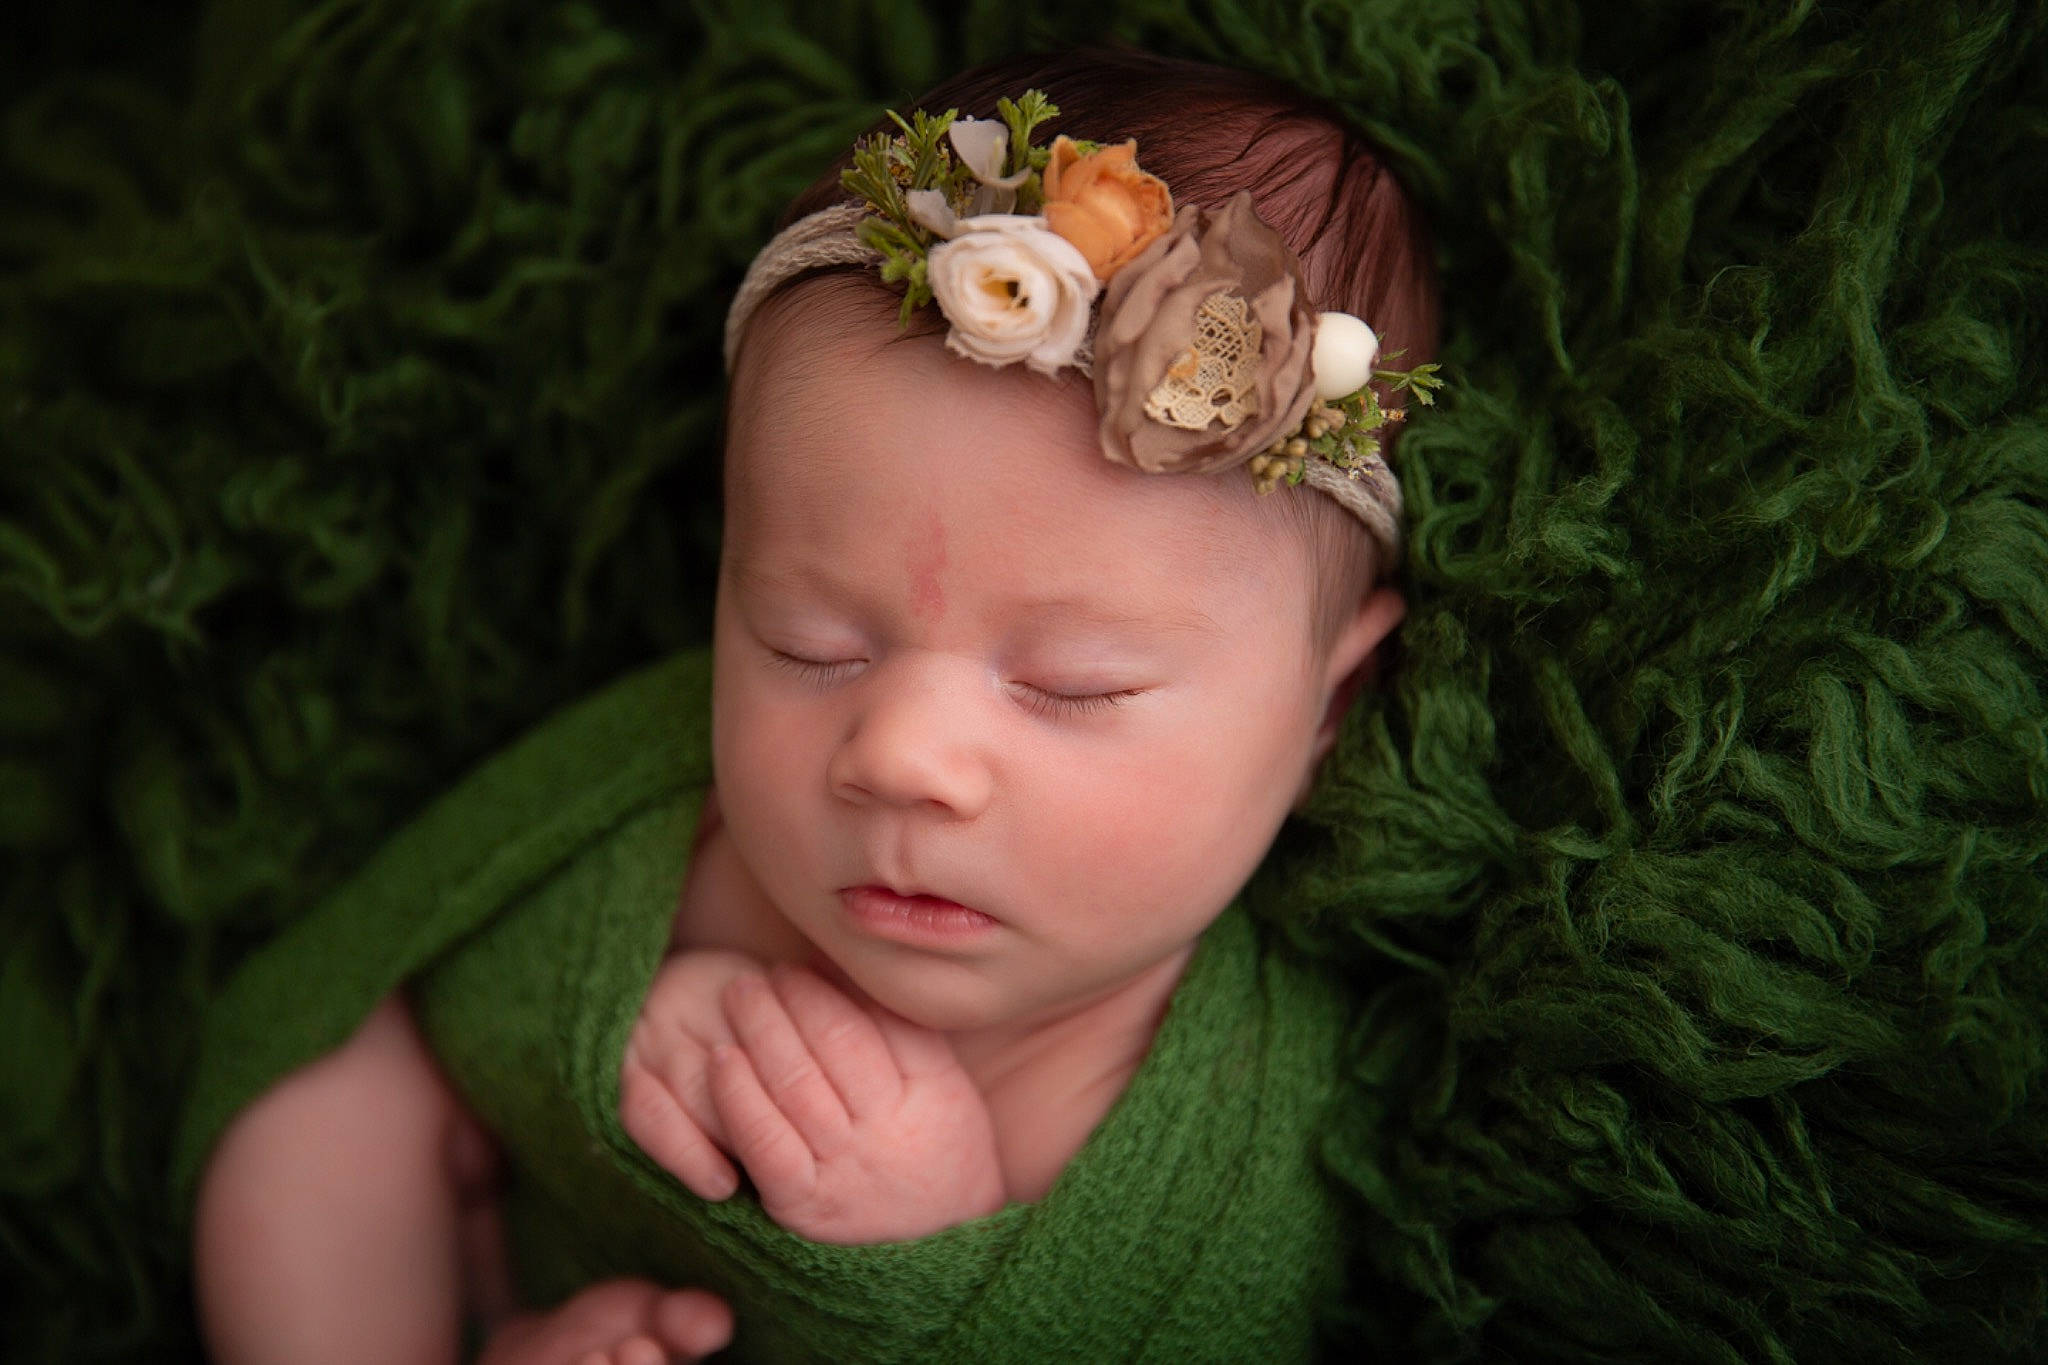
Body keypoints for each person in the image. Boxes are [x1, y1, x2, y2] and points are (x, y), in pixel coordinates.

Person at [187, 44, 1440, 1363]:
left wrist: (926, 1240)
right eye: (810, 641)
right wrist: (606, 1023)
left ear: (1330, 702)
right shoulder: (677, 819)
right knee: (324, 1093)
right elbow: (416, 965)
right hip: (467, 1262)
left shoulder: (1233, 1139)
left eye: (1074, 687)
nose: (900, 755)